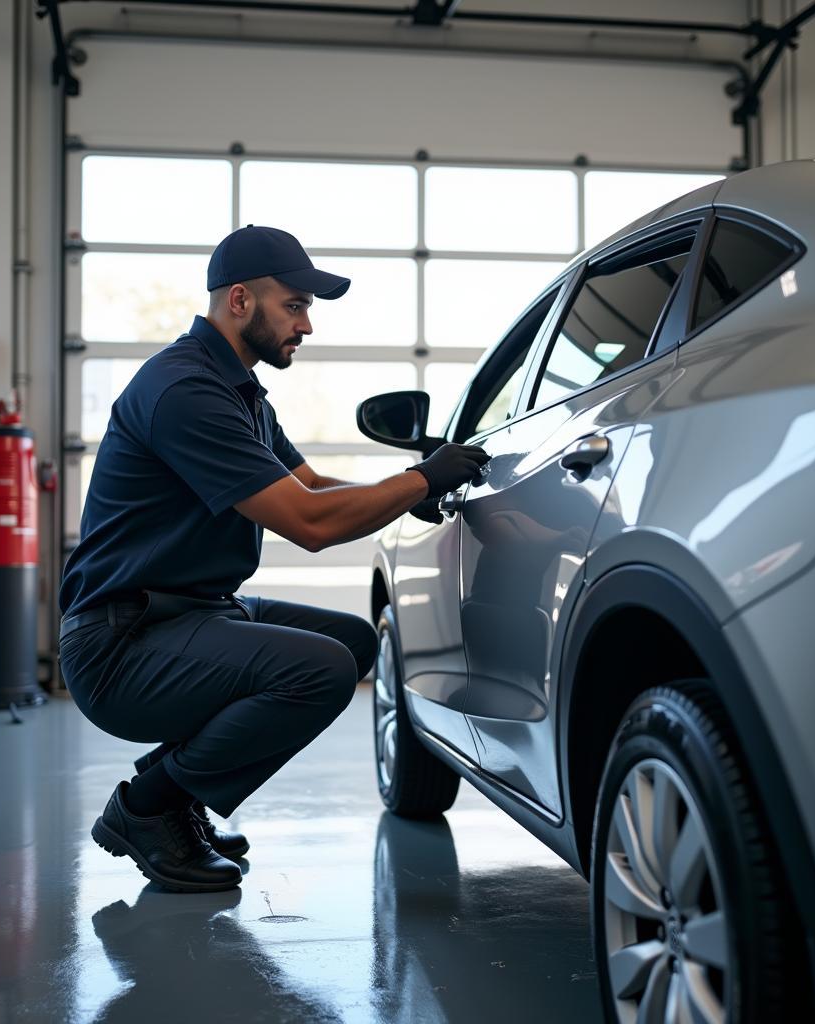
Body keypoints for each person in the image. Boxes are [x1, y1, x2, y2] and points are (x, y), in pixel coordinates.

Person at [58, 225, 491, 893]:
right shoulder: (185, 392)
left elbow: (311, 485)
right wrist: (421, 481)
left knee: (349, 640)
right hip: (121, 644)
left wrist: (408, 490)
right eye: (294, 305)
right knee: (320, 670)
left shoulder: (238, 392)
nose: (307, 325)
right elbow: (309, 523)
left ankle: (170, 790)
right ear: (239, 300)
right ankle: (148, 809)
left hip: (192, 614)